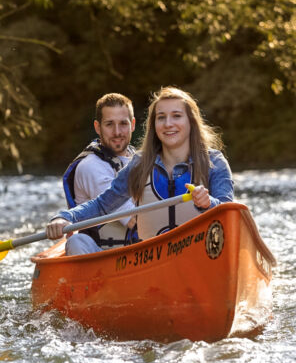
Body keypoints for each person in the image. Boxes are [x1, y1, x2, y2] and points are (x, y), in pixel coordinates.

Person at [47, 86, 234, 253]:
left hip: (199, 255)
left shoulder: (215, 162)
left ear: (191, 122)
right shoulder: (139, 164)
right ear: (154, 125)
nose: (168, 124)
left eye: (176, 116)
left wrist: (209, 203)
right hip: (151, 263)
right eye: (161, 118)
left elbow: (229, 216)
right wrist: (64, 216)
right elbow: (102, 205)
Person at [62, 93, 137, 255]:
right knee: (76, 241)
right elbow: (134, 221)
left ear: (132, 125)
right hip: (105, 255)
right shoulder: (91, 167)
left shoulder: (135, 157)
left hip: (134, 250)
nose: (117, 132)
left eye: (123, 124)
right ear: (98, 127)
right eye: (109, 124)